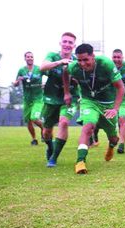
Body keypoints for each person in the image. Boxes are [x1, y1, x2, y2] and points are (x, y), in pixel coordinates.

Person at [67, 43, 125, 174]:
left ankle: (111, 147)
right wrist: (66, 92)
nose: (82, 63)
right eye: (79, 60)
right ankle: (80, 161)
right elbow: (66, 73)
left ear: (93, 56)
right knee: (88, 127)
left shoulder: (106, 64)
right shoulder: (74, 67)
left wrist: (115, 109)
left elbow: (121, 87)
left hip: (108, 104)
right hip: (89, 101)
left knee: (114, 139)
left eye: (85, 60)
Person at [39, 32, 79, 168]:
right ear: (60, 43)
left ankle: (53, 158)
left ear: (74, 45)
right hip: (51, 98)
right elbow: (42, 67)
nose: (67, 44)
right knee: (46, 131)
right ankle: (50, 146)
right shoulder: (52, 56)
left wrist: (76, 81)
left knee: (63, 122)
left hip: (70, 98)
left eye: (70, 42)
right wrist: (59, 62)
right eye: (65, 41)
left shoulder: (77, 60)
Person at [13, 51, 44, 145]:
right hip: (27, 99)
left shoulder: (39, 69)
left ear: (33, 58)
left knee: (34, 118)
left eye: (31, 56)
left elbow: (50, 76)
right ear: (25, 58)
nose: (30, 58)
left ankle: (45, 129)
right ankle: (34, 139)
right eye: (28, 57)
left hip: (38, 98)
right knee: (28, 121)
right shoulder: (21, 70)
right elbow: (15, 84)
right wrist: (18, 80)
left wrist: (45, 84)